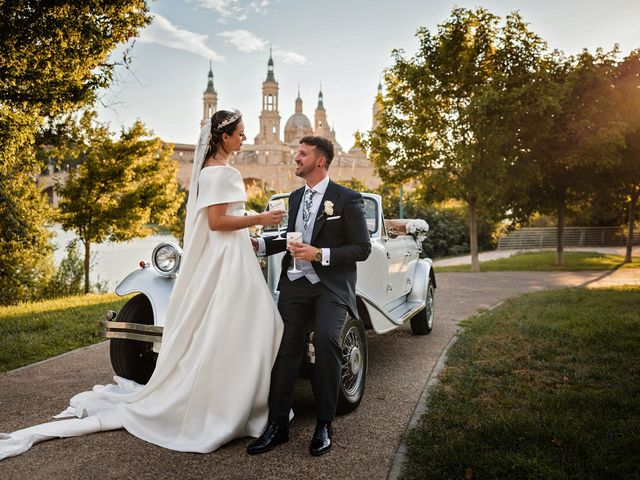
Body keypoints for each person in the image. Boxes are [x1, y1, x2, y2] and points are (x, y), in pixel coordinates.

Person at [0, 109, 286, 460]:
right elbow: (216, 222)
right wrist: (263, 218)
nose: (245, 137)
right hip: (228, 258)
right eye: (240, 133)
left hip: (228, 255)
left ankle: (232, 395)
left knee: (233, 326)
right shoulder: (224, 172)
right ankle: (234, 403)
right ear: (224, 136)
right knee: (258, 323)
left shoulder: (208, 171)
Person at [247, 136, 371, 456]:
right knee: (285, 347)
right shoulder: (295, 197)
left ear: (320, 161)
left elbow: (362, 249)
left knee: (329, 339)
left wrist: (319, 254)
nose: (295, 158)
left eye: (302, 154)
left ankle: (324, 423)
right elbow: (293, 238)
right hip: (294, 283)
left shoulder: (347, 199)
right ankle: (277, 425)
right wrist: (260, 246)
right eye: (296, 153)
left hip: (330, 286)